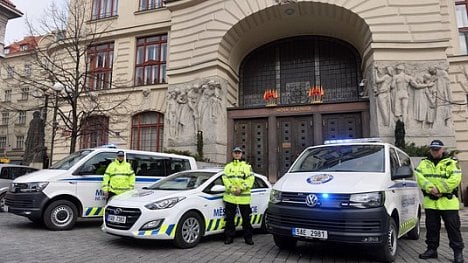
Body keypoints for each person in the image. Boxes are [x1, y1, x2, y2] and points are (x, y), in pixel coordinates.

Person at [416, 140, 464, 263]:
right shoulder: (424, 163)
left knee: (453, 229)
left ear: (442, 149)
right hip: (431, 203)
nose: (434, 151)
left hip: (448, 203)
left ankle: (458, 253)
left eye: (437, 149)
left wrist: (440, 188)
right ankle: (432, 250)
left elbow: (456, 179)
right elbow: (419, 177)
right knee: (431, 229)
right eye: (432, 149)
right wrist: (431, 189)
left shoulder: (451, 163)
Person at [222, 146, 255, 245]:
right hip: (231, 198)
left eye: (239, 152)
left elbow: (251, 180)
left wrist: (241, 188)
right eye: (235, 152)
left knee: (246, 219)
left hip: (244, 198)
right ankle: (229, 237)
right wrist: (232, 188)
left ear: (241, 154)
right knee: (230, 219)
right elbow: (225, 179)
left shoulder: (247, 167)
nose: (237, 154)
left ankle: (248, 238)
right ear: (232, 154)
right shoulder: (228, 167)